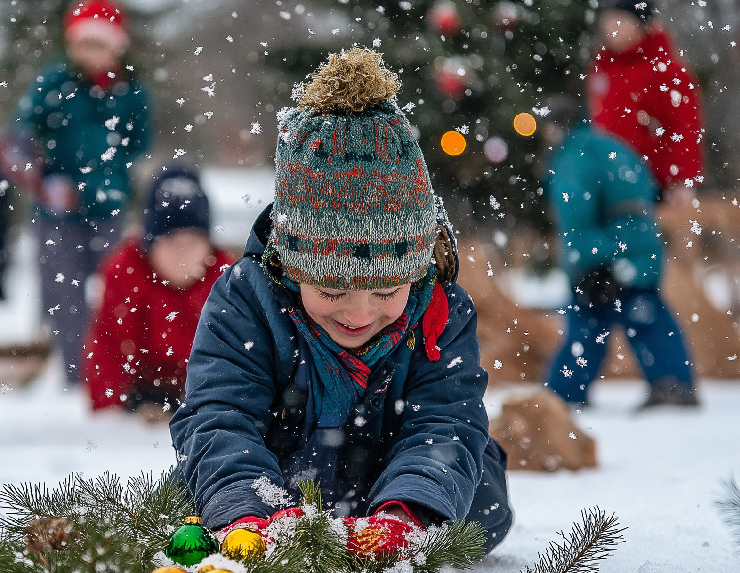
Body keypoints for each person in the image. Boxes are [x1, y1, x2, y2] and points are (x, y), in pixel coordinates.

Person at [169, 49, 512, 558]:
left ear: (416, 271)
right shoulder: (244, 300)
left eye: (386, 292)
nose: (358, 313)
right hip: (281, 481)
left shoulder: (441, 310)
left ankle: (410, 505)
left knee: (474, 479)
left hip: (392, 482)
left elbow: (444, 420)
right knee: (198, 476)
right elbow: (220, 413)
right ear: (290, 264)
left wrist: (408, 511)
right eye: (331, 291)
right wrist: (253, 510)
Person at [0, 0, 150, 385]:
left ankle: (119, 371)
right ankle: (77, 377)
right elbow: (18, 139)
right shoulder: (52, 85)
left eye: (100, 44)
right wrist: (40, 179)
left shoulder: (132, 94)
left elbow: (138, 146)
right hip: (55, 212)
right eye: (84, 44)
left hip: (109, 208)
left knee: (118, 291)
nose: (91, 53)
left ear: (117, 46)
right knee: (61, 294)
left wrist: (104, 183)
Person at [540, 96, 698, 409]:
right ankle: (673, 382)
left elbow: (576, 216)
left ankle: (561, 397)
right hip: (637, 248)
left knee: (586, 324)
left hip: (607, 254)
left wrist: (589, 262)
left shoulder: (573, 156)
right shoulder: (609, 145)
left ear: (554, 127)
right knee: (646, 315)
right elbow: (645, 191)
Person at [82, 166, 230, 422]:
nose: (182, 253)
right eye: (171, 241)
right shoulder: (125, 273)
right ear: (149, 244)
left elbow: (239, 355)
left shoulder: (227, 279)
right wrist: (118, 404)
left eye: (193, 242)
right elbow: (107, 349)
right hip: (140, 404)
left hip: (205, 400)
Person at [587, 0, 704, 206]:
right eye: (607, 21)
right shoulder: (602, 67)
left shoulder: (667, 70)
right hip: (609, 179)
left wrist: (682, 180)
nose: (611, 27)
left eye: (620, 20)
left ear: (642, 24)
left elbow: (685, 126)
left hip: (654, 182)